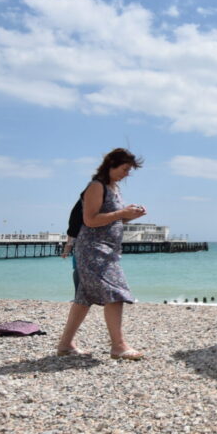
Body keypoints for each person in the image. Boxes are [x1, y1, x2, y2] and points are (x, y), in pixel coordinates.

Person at [56, 148, 148, 360]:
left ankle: (65, 344)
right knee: (116, 292)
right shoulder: (96, 186)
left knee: (83, 298)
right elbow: (90, 220)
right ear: (112, 165)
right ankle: (118, 346)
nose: (127, 174)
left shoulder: (113, 188)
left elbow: (112, 218)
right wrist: (122, 213)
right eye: (125, 169)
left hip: (107, 248)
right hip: (93, 249)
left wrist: (129, 216)